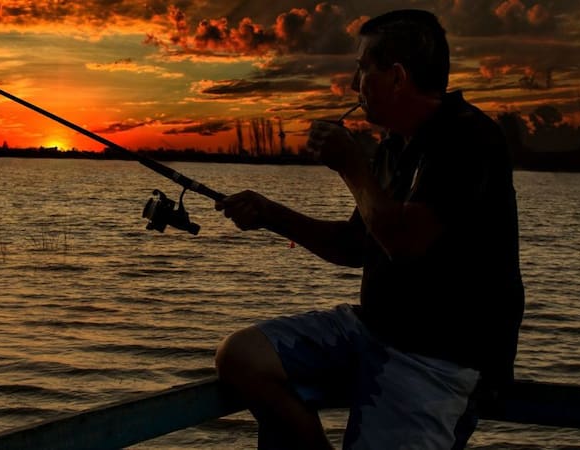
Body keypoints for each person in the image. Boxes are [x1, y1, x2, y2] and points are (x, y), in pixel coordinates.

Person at [214, 9, 524, 450]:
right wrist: (270, 214)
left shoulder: (469, 140)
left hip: (437, 362)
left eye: (363, 70)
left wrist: (350, 165)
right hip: (372, 330)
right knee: (241, 357)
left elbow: (404, 242)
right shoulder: (394, 146)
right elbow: (355, 244)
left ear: (396, 77)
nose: (354, 86)